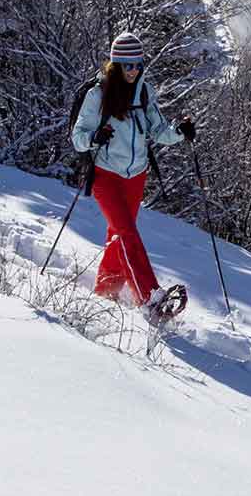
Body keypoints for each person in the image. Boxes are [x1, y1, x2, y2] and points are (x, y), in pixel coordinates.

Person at [71, 32, 197, 313]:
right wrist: (95, 138)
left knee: (118, 234)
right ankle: (150, 297)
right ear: (116, 65)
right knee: (128, 233)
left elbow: (158, 130)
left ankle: (106, 291)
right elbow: (77, 137)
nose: (134, 70)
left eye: (138, 64)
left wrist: (179, 132)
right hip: (106, 175)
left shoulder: (144, 92)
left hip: (136, 176)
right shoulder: (97, 95)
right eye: (128, 65)